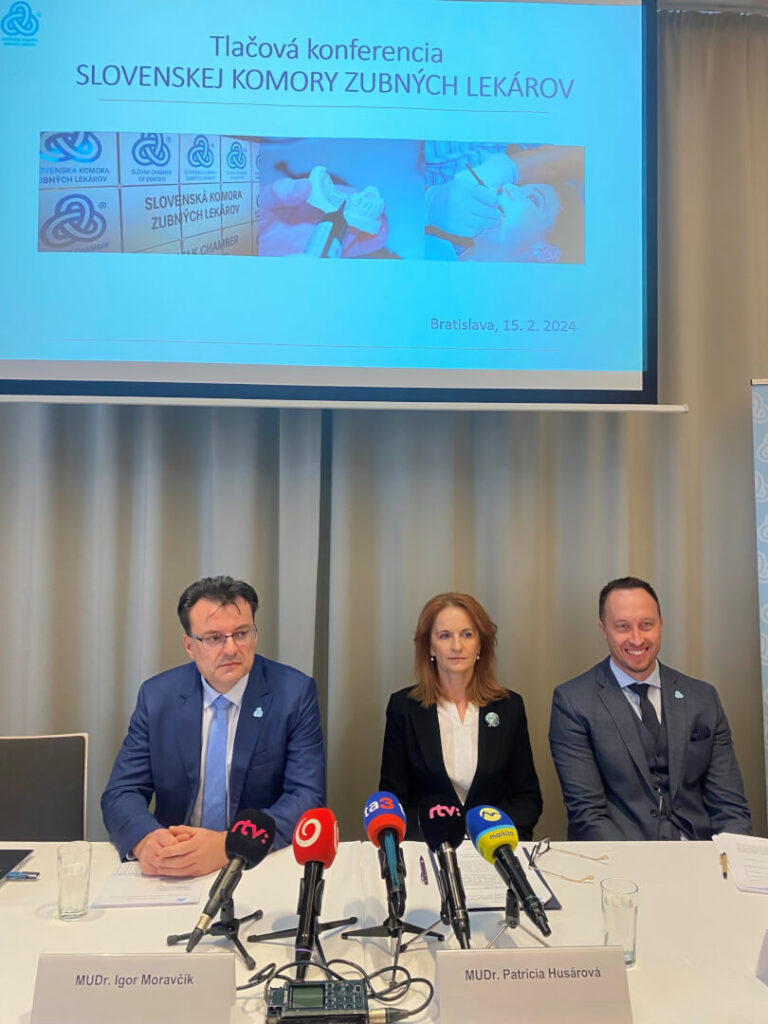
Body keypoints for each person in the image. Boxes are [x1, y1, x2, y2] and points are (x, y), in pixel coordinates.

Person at [101, 575, 325, 876]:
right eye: (213, 638)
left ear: (255, 635)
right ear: (189, 645)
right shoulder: (157, 697)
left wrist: (228, 844)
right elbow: (122, 791)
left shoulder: (294, 694)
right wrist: (146, 841)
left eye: (241, 633)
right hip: (173, 861)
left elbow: (307, 797)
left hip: (255, 863)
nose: (231, 649)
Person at [549, 577, 752, 841]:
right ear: (604, 630)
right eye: (623, 627)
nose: (637, 639)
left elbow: (730, 806)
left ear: (661, 625)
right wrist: (639, 863)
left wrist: (728, 859)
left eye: (646, 625)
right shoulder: (573, 701)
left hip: (699, 852)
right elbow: (587, 815)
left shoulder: (703, 697)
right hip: (618, 857)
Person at [379, 592, 542, 840]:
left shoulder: (509, 707)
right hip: (429, 848)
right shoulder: (404, 708)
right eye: (445, 636)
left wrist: (497, 839)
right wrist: (435, 842)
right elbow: (394, 799)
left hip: (494, 847)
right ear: (429, 646)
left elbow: (527, 798)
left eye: (467, 634)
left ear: (480, 644)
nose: (457, 646)